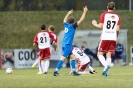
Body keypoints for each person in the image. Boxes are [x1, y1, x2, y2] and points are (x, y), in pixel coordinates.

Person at [53, 6, 88, 76]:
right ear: (73, 22)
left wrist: (68, 13)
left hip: (64, 44)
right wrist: (84, 12)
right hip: (68, 45)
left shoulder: (66, 25)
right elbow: (81, 20)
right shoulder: (73, 26)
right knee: (63, 58)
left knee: (73, 57)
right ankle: (55, 71)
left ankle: (74, 71)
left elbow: (64, 20)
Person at [92, 2, 120, 76]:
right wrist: (115, 37)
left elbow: (100, 26)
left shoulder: (104, 15)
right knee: (108, 54)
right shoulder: (117, 16)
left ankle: (106, 66)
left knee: (99, 54)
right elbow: (117, 29)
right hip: (113, 38)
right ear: (114, 8)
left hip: (105, 37)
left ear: (107, 7)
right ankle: (106, 72)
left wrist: (94, 23)